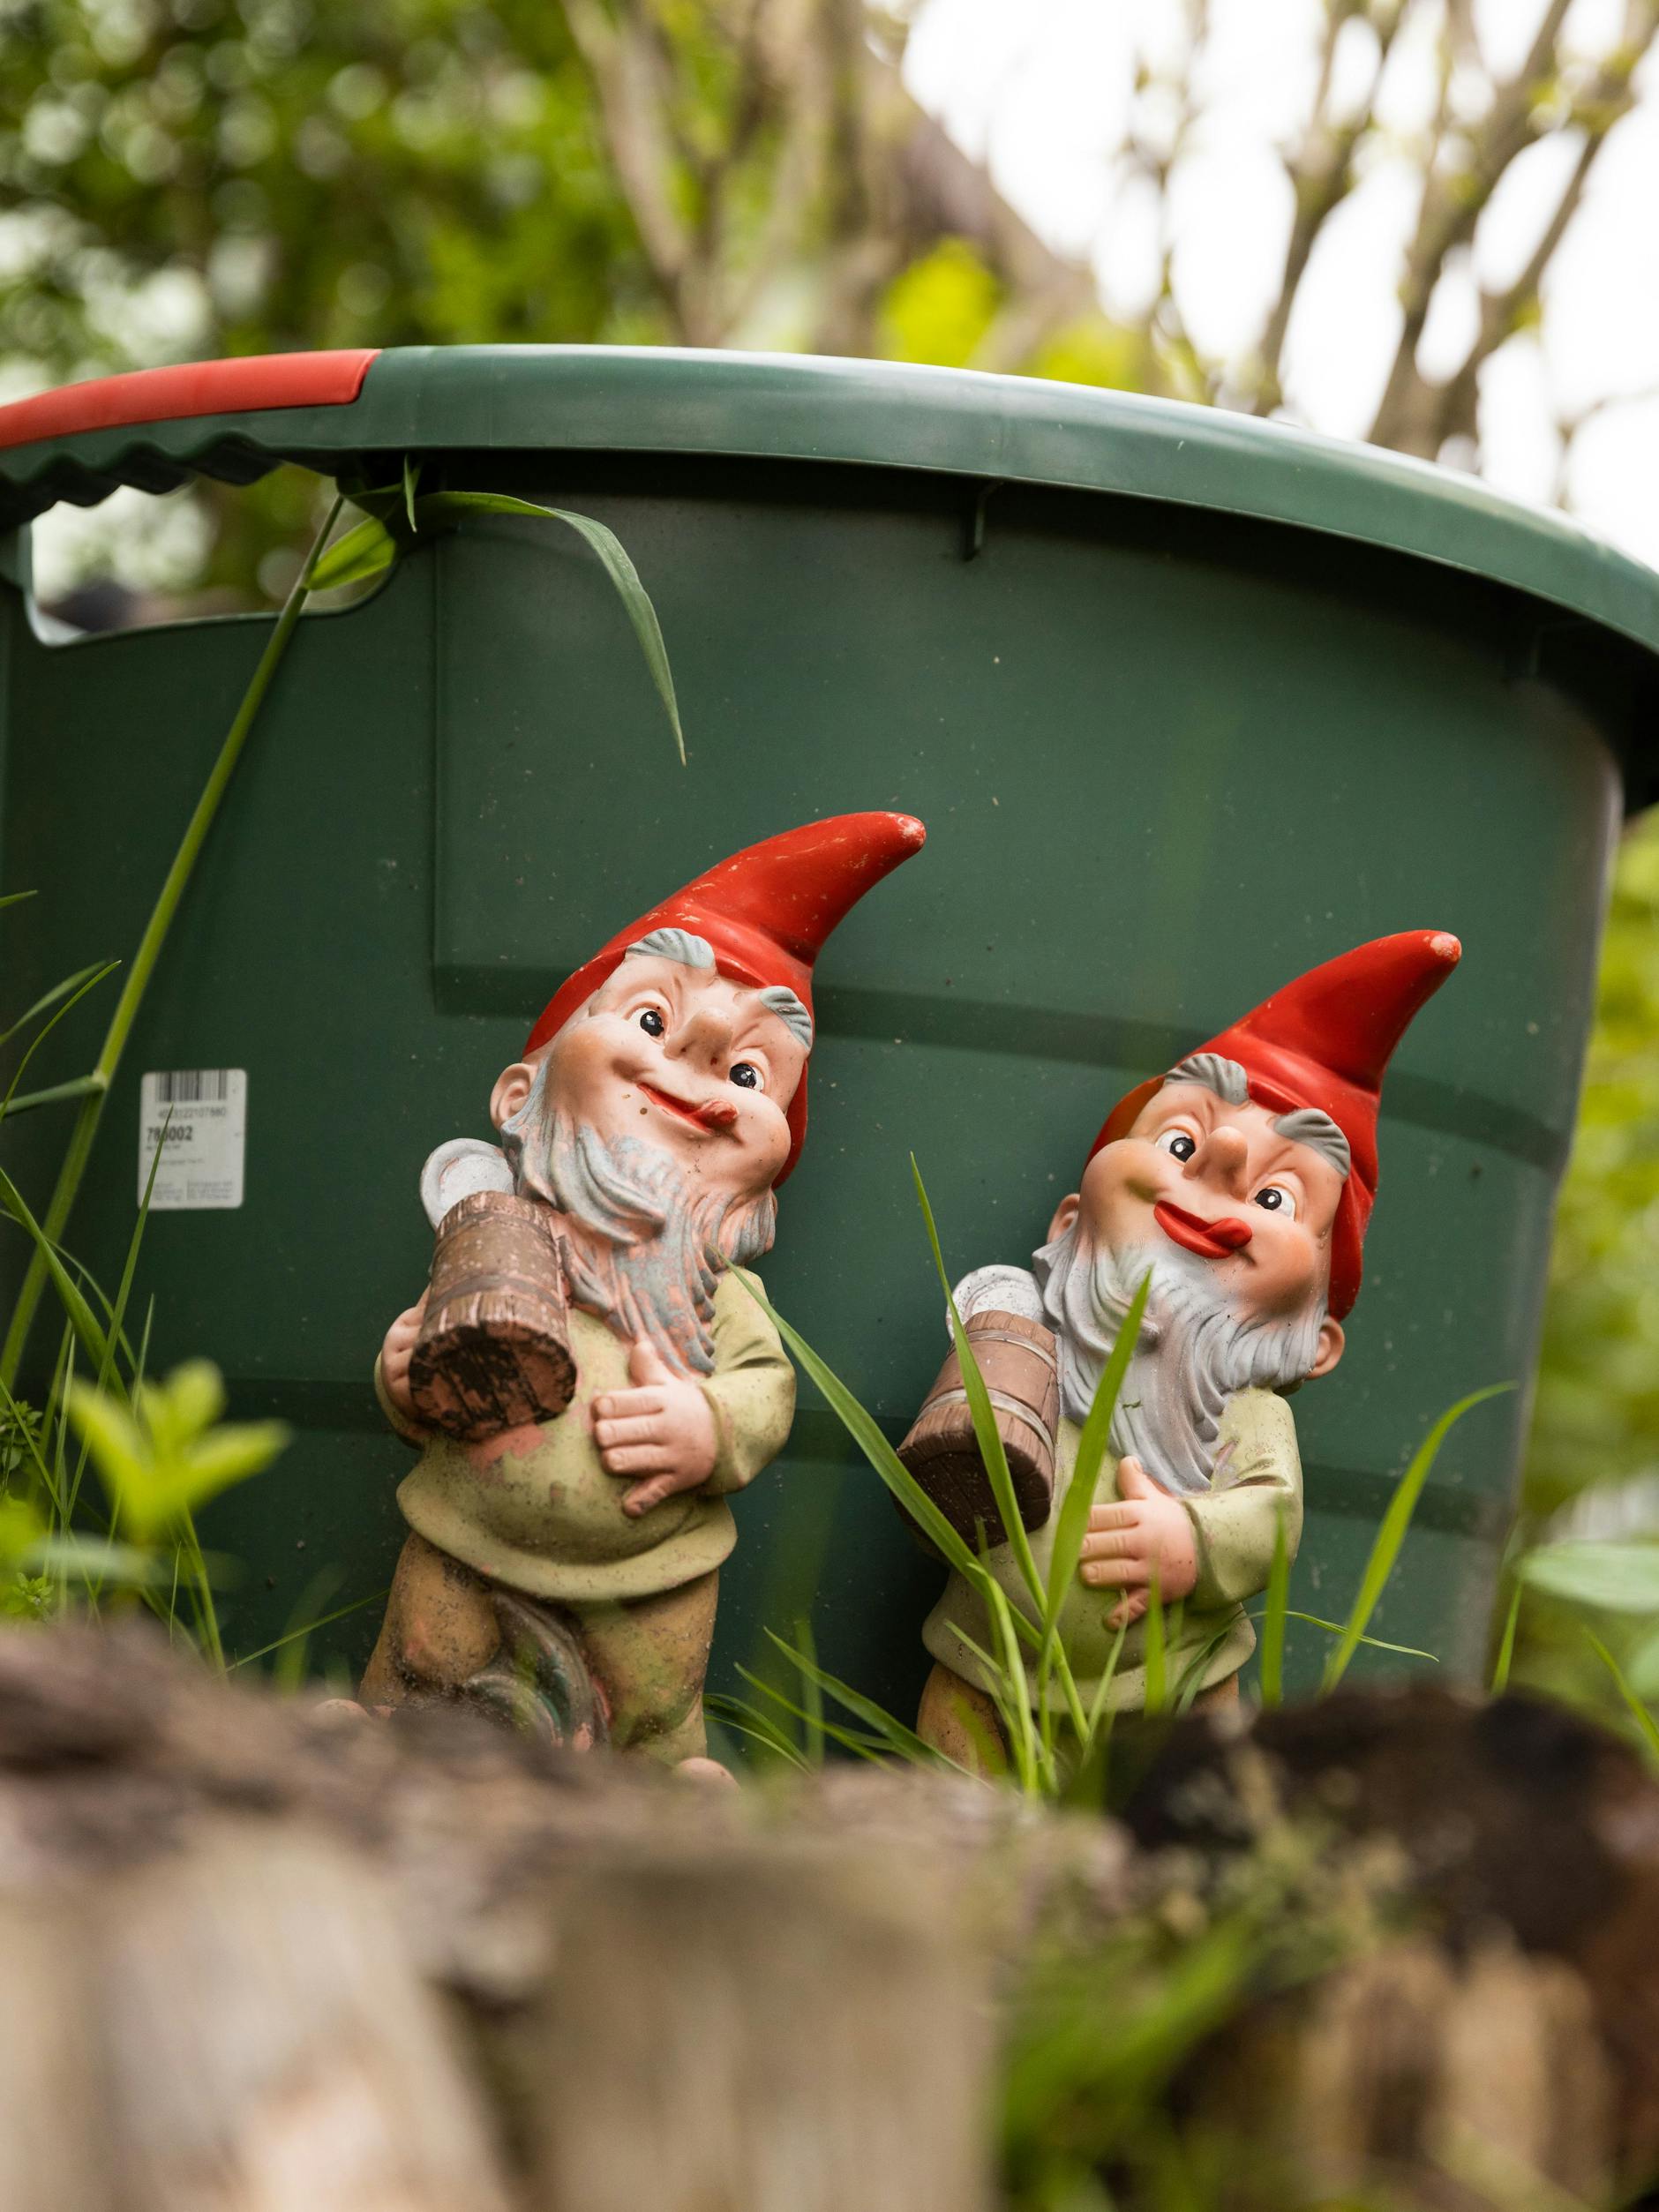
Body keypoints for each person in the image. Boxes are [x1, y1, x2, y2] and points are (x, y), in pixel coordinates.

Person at [362, 812, 926, 1771]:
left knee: (648, 1721)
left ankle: (665, 1792)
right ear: (519, 1093)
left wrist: (708, 1427)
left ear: (764, 1170)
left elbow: (763, 1393)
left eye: (749, 1071)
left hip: (649, 1580)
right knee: (424, 1675)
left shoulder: (719, 1297)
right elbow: (427, 1374)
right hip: (467, 1547)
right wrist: (404, 1373)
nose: (698, 1052)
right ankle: (381, 1755)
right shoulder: (491, 1242)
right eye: (652, 1019)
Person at [915, 930, 1460, 1770]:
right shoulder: (1031, 1354)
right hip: (986, 1665)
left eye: (1279, 1194)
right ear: (1068, 1227)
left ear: (1314, 1342)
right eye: (1180, 1142)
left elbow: (1272, 1517)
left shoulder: (1248, 1415)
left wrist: (1192, 1540)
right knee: (951, 1801)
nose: (1228, 1155)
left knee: (1175, 1808)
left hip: (1169, 1694)